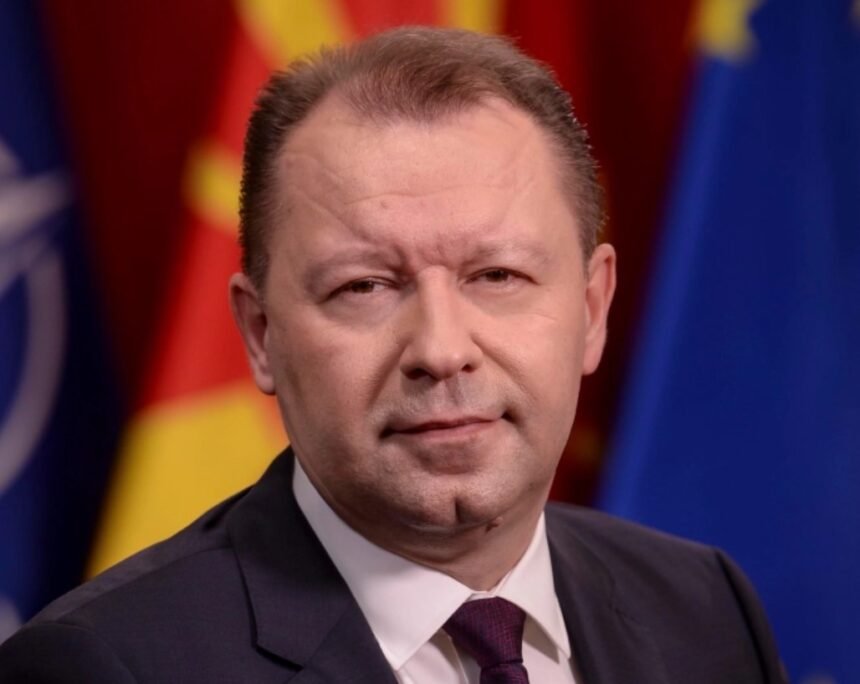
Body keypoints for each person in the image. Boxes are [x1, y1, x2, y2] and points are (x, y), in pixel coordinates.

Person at [0, 26, 786, 683]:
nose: (442, 350)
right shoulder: (108, 667)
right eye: (366, 287)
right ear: (261, 334)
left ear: (590, 308)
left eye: (497, 276)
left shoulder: (704, 609)